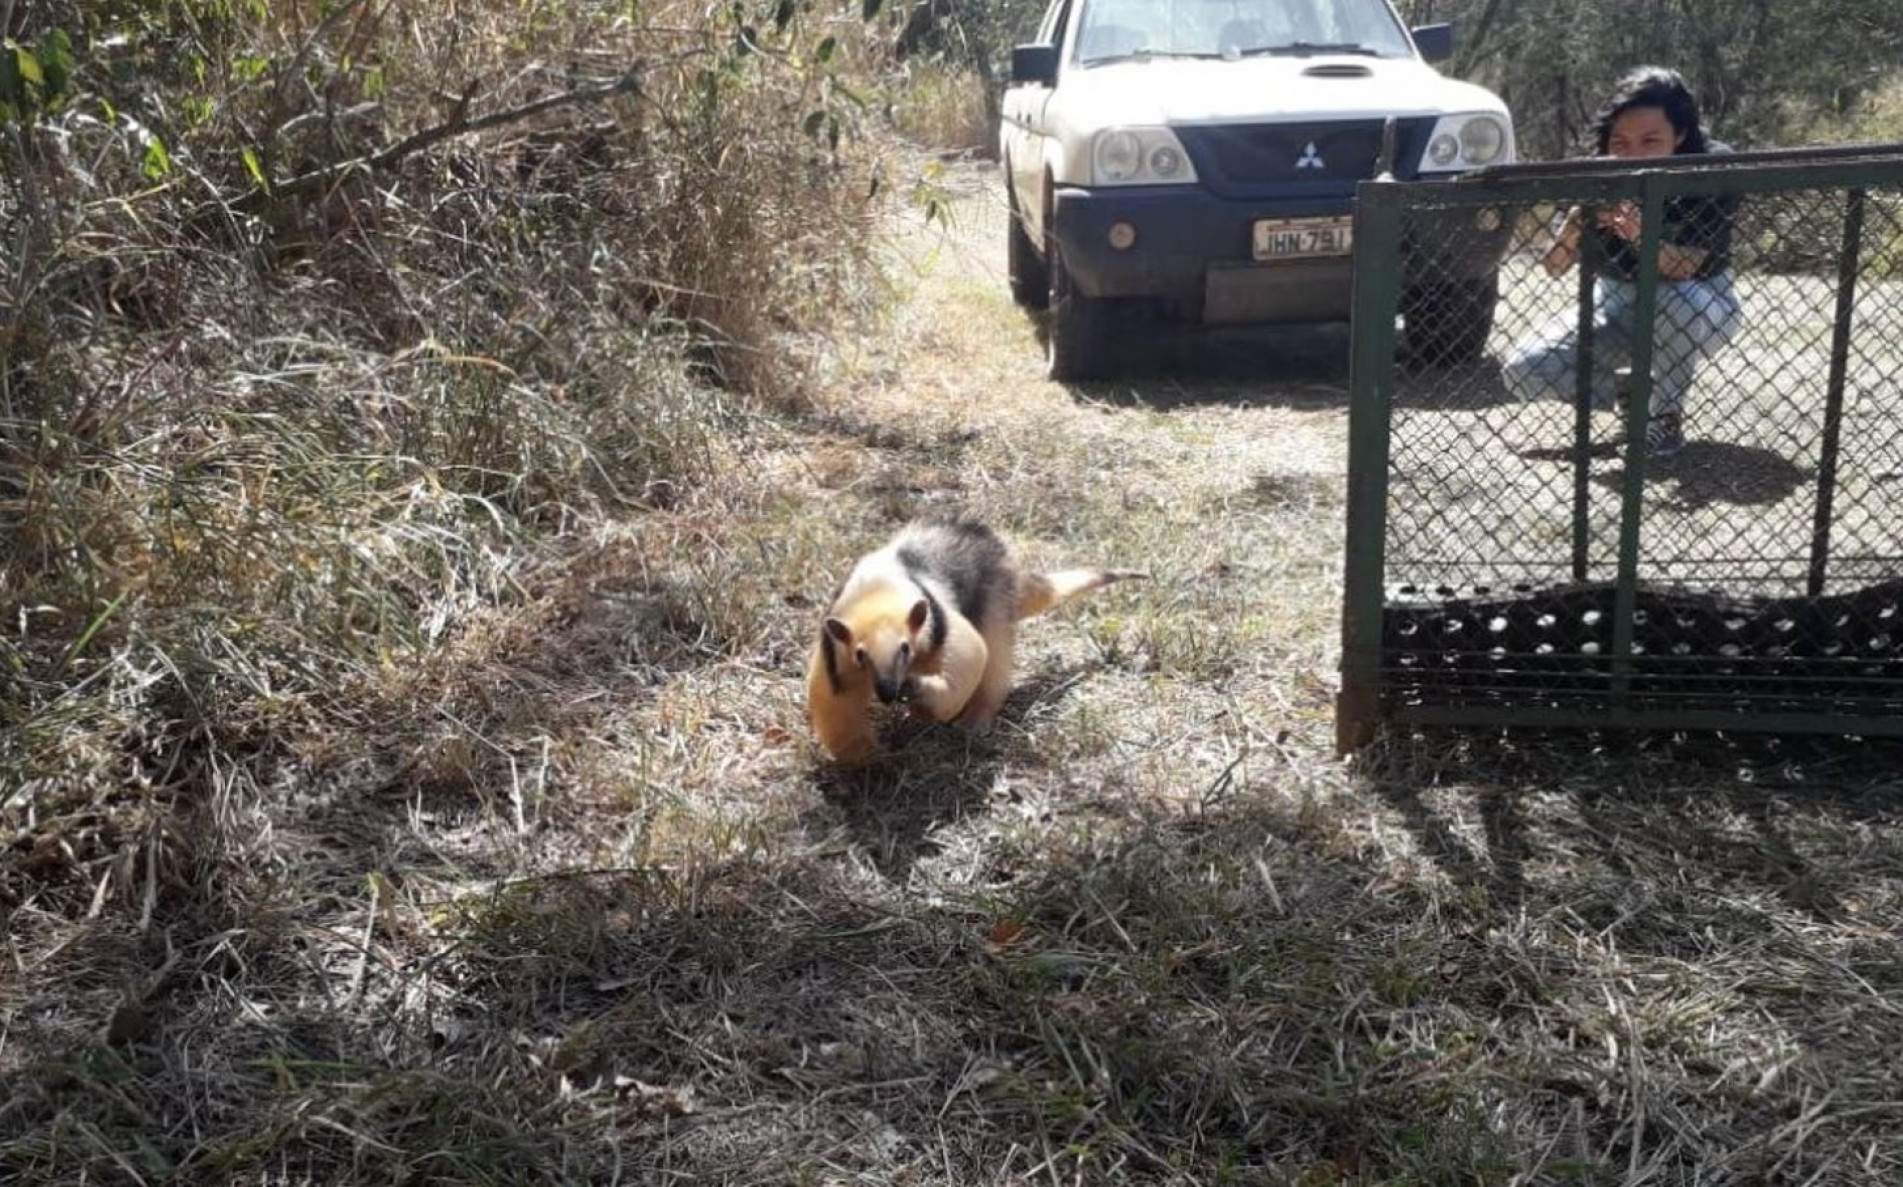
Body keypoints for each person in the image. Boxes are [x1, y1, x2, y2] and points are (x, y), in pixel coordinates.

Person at [1502, 67, 1742, 460]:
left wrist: (1639, 233)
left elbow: (1684, 268)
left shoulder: (1710, 167)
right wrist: (1575, 225)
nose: (1632, 154)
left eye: (1650, 141)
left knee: (1676, 300)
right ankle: (1632, 396)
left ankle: (1663, 421)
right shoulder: (1597, 170)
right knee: (1523, 370)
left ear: (1680, 137)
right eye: (1621, 142)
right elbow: (1554, 267)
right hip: (1614, 304)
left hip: (1699, 306)